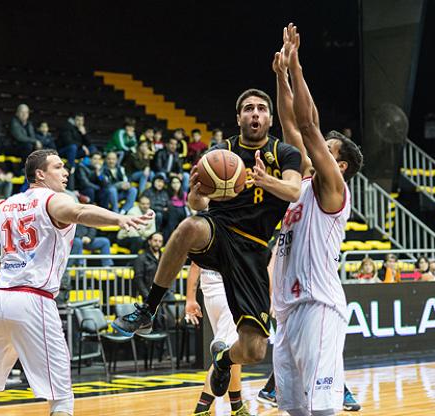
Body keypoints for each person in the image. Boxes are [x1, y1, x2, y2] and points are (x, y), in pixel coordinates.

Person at [0, 149, 153, 416]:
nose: (65, 172)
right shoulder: (54, 201)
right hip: (33, 300)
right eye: (58, 167)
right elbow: (80, 211)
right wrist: (118, 218)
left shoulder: (5, 204)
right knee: (62, 399)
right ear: (40, 174)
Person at [113, 83, 303, 402]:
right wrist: (197, 194)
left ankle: (224, 359)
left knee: (255, 349)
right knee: (189, 225)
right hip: (219, 230)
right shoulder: (220, 153)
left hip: (254, 247)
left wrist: (264, 179)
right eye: (248, 108)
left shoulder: (284, 153)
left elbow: (295, 191)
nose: (255, 113)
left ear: (270, 118)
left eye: (261, 109)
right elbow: (198, 205)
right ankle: (148, 307)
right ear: (239, 117)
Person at [272, 24, 363, 415]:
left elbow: (307, 125)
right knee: (294, 409)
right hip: (288, 311)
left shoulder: (333, 189)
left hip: (318, 307)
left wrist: (296, 68)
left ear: (338, 164)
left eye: (326, 149)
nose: (315, 149)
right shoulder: (306, 184)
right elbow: (291, 124)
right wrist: (280, 77)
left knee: (323, 408)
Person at [185, 263, 251, 416]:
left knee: (233, 351)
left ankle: (237, 406)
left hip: (210, 295)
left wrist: (190, 298)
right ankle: (201, 409)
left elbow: (195, 265)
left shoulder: (206, 237)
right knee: (224, 356)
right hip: (228, 295)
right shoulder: (236, 238)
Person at [132, 232, 164, 301]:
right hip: (148, 293)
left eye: (160, 241)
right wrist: (146, 295)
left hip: (165, 294)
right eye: (155, 240)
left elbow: (171, 275)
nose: (157, 243)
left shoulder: (165, 258)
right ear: (149, 241)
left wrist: (171, 291)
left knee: (175, 307)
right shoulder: (141, 258)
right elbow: (138, 279)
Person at [164, 176, 188, 241]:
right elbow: (165, 205)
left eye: (177, 182)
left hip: (182, 214)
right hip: (171, 214)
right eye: (173, 183)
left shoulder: (184, 194)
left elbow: (187, 205)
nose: (176, 185)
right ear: (170, 184)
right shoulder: (167, 194)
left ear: (180, 184)